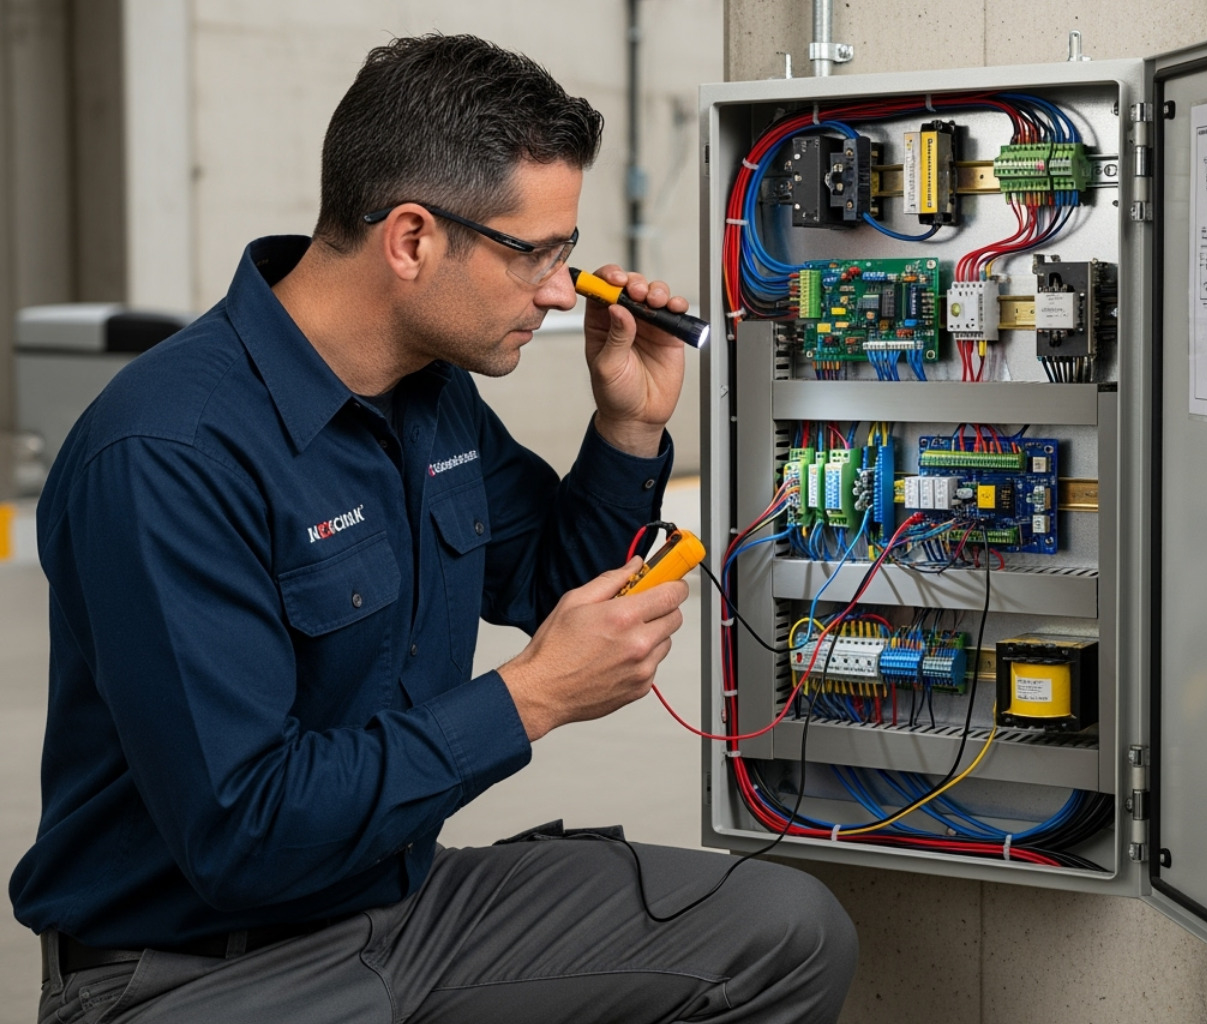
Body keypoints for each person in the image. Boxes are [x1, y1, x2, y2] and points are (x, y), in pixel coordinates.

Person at [12, 33, 857, 1023]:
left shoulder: (432, 398)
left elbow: (557, 580)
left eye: (566, 253)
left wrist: (630, 424)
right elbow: (245, 831)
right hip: (194, 970)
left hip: (408, 908)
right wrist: (532, 696)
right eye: (533, 251)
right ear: (411, 238)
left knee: (784, 933)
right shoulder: (167, 454)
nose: (558, 290)